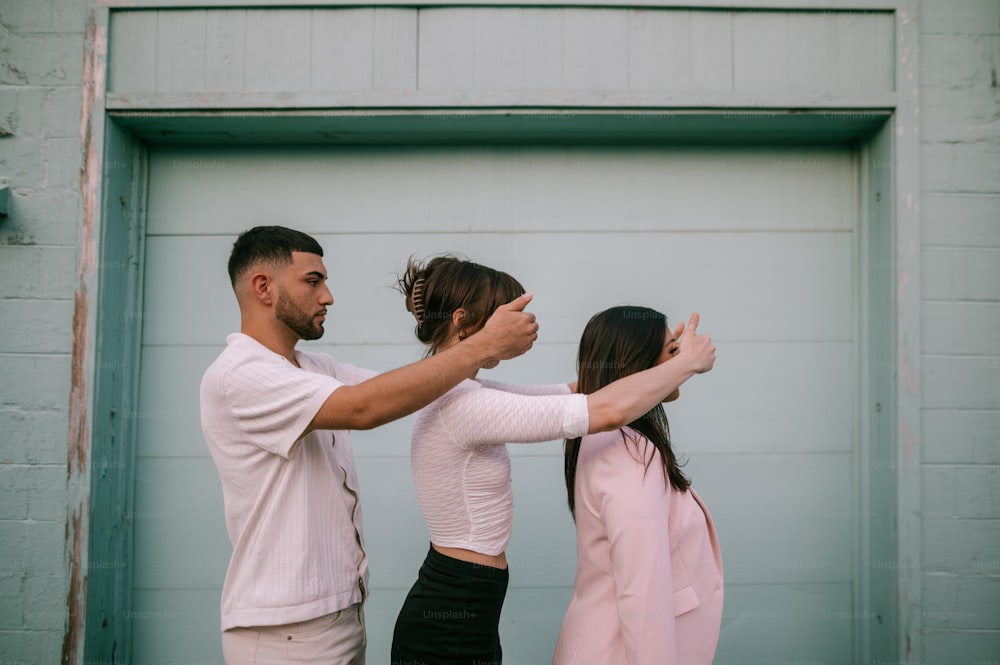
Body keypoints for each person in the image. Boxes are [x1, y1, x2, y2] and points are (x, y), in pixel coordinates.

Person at [199, 227, 540, 665]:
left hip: (337, 618)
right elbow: (367, 408)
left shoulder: (311, 366)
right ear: (263, 287)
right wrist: (481, 343)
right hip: (285, 633)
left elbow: (420, 388)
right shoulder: (241, 375)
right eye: (313, 280)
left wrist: (580, 387)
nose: (328, 296)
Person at [390, 257, 716, 665]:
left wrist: (656, 358)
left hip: (469, 598)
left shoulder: (466, 393)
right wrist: (685, 363)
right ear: (464, 321)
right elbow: (602, 410)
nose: (525, 324)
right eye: (507, 314)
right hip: (453, 609)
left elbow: (581, 391)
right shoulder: (463, 406)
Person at [553, 306, 724, 665]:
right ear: (638, 362)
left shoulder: (612, 437)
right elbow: (642, 588)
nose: (677, 354)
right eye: (669, 348)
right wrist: (687, 363)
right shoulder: (626, 448)